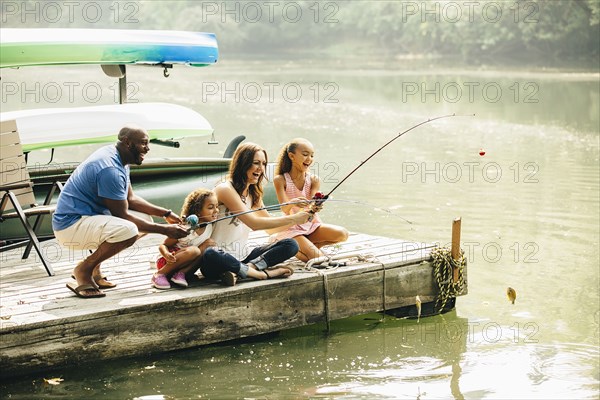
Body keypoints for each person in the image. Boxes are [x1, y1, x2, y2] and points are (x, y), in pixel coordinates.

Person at [52, 125, 188, 298]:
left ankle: (94, 268)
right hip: (70, 226)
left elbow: (130, 199)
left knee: (145, 220)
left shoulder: (119, 158)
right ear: (128, 143)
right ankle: (84, 269)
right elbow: (122, 215)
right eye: (143, 143)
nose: (148, 148)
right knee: (129, 230)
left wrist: (165, 214)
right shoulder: (110, 169)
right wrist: (165, 230)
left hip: (87, 219)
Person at [201, 142, 311, 286]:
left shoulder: (254, 194)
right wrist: (293, 218)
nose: (261, 168)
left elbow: (271, 229)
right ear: (243, 164)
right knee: (210, 254)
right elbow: (254, 224)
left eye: (264, 163)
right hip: (218, 260)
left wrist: (303, 213)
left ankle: (246, 271)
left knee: (291, 245)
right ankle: (262, 274)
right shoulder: (225, 189)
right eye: (256, 163)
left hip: (244, 257)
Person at [273, 138, 348, 262]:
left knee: (343, 233)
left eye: (312, 155)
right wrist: (293, 202)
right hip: (292, 228)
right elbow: (284, 208)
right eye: (305, 154)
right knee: (320, 260)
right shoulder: (280, 180)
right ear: (291, 156)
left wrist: (316, 205)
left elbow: (312, 206)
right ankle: (297, 250)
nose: (309, 159)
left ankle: (306, 246)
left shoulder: (314, 180)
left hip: (311, 226)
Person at [152, 188, 218, 290]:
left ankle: (181, 274)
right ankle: (159, 274)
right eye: (210, 207)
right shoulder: (185, 228)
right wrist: (166, 255)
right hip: (168, 262)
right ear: (198, 212)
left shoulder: (210, 225)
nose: (216, 210)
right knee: (194, 250)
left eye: (217, 206)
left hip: (184, 264)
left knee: (209, 244)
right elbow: (163, 245)